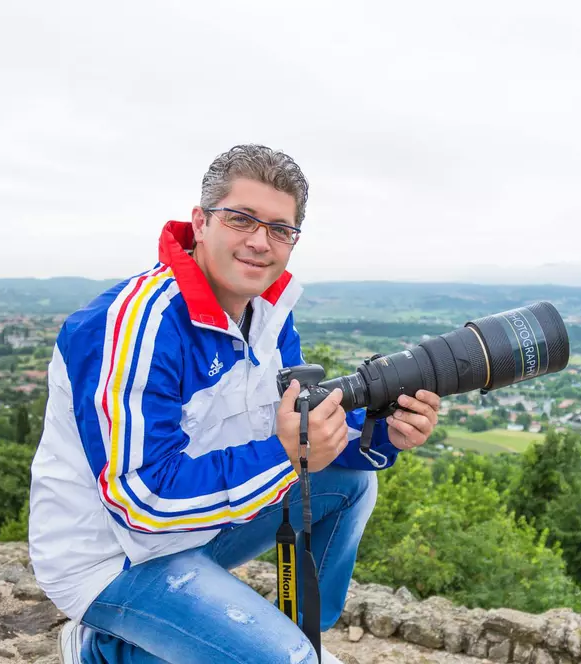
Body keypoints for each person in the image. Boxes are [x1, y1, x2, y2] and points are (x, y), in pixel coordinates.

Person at [28, 144, 442, 664]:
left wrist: (383, 432)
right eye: (241, 219)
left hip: (198, 528)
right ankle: (106, 650)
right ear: (201, 223)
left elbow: (302, 426)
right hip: (115, 558)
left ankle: (293, 636)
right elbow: (141, 502)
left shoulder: (266, 315)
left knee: (351, 482)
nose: (259, 242)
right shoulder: (137, 325)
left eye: (280, 229)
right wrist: (285, 455)